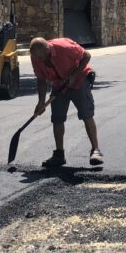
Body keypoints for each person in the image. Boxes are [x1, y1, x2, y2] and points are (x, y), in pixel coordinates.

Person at [29, 37, 104, 167]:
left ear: (47, 49)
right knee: (57, 118)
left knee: (86, 115)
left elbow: (86, 56)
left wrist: (74, 75)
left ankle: (96, 150)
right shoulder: (35, 56)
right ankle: (59, 154)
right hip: (59, 85)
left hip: (79, 81)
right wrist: (41, 102)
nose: (39, 60)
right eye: (36, 58)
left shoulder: (64, 47)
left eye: (41, 57)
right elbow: (41, 79)